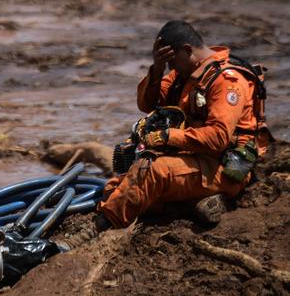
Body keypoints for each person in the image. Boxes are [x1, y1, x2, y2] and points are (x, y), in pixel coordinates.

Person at [82, 20, 270, 238]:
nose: (171, 68)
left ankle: (92, 232)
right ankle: (189, 207)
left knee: (149, 171)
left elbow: (218, 138)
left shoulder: (227, 81)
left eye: (172, 62)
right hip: (192, 160)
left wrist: (168, 136)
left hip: (223, 168)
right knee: (115, 188)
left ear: (188, 50)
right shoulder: (184, 73)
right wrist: (157, 69)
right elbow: (147, 104)